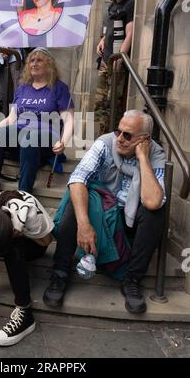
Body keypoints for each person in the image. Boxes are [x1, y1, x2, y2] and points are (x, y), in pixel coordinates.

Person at [43, 110, 166, 315]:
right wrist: (84, 225)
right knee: (78, 197)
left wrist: (143, 158)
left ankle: (132, 280)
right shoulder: (105, 143)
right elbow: (77, 179)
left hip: (127, 222)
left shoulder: (156, 154)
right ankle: (60, 272)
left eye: (127, 135)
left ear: (144, 140)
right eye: (118, 131)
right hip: (100, 212)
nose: (120, 138)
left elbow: (153, 201)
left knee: (156, 213)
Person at [0, 190, 54, 346]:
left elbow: (46, 241)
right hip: (3, 227)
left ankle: (25, 311)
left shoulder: (31, 215)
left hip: (32, 241)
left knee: (13, 248)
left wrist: (22, 232)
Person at [0, 47, 74, 194]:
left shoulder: (59, 88)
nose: (34, 63)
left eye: (39, 60)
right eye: (31, 60)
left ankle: (23, 194)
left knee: (30, 138)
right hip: (20, 132)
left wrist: (63, 141)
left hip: (46, 135)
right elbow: (12, 117)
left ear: (49, 64)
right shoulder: (23, 88)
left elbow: (68, 120)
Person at [94, 0, 134, 135]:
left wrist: (120, 58)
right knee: (99, 104)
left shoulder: (131, 4)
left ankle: (111, 141)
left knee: (112, 105)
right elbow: (109, 30)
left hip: (117, 62)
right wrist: (102, 41)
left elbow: (131, 33)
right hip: (105, 61)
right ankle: (100, 139)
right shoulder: (111, 6)